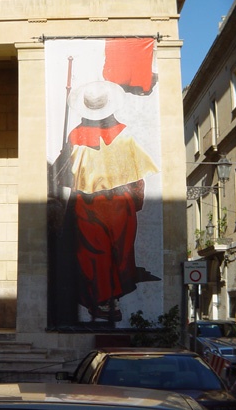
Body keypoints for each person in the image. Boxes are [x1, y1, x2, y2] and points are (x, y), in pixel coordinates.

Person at [53, 80, 159, 322]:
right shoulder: (125, 135)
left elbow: (65, 174)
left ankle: (102, 300)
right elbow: (138, 178)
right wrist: (136, 201)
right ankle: (114, 294)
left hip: (88, 203)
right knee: (120, 248)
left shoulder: (75, 136)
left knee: (93, 253)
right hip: (121, 202)